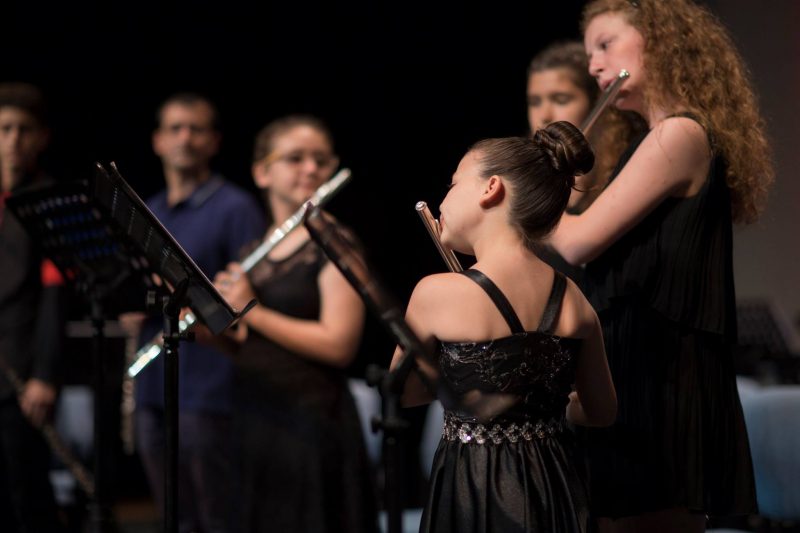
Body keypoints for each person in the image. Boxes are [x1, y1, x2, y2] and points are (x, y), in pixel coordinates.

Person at [548, 1, 773, 531]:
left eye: (606, 44)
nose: (595, 66)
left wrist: (528, 198)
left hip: (660, 377)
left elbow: (578, 242)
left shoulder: (679, 136)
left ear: (660, 39)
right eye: (590, 54)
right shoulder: (650, 141)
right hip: (636, 364)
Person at [390, 121, 617, 533]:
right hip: (555, 490)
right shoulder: (576, 302)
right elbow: (602, 412)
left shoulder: (435, 293)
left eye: (453, 183)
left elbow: (403, 393)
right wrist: (543, 401)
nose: (443, 199)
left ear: (490, 188)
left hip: (472, 491)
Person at [213, 115, 378, 533]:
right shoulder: (254, 248)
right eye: (296, 158)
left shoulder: (335, 240)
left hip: (310, 425)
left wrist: (253, 309)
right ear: (261, 172)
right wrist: (207, 331)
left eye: (321, 160)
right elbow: (250, 344)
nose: (311, 169)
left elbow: (340, 344)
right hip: (258, 418)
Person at [130, 92, 266, 533]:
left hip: (210, 388)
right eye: (175, 128)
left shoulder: (236, 207)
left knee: (217, 517)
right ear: (157, 141)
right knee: (173, 515)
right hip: (155, 384)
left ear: (214, 141)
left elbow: (248, 302)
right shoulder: (149, 208)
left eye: (197, 128)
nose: (184, 137)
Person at [0, 82, 65, 532]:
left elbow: (53, 296)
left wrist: (44, 373)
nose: (12, 141)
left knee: (25, 489)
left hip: (21, 373)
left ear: (42, 137)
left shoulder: (50, 201)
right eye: (3, 129)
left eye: (23, 129)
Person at [527, 40, 643, 215]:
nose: (544, 115)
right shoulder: (523, 172)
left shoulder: (627, 167)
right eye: (535, 102)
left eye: (561, 99)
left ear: (595, 102)